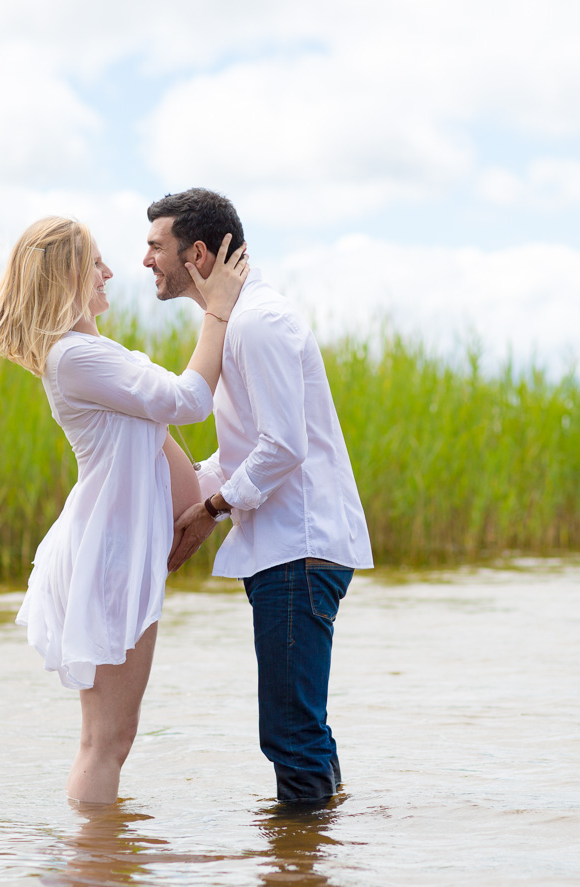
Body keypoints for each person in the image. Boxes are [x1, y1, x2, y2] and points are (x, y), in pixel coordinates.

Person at [0, 215, 248, 804]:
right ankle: (95, 877)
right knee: (106, 741)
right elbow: (189, 401)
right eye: (95, 263)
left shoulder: (88, 351)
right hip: (110, 552)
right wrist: (218, 309)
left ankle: (98, 876)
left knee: (113, 736)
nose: (109, 272)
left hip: (118, 547)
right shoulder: (74, 358)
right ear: (67, 273)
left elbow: (156, 440)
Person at [143, 189, 374, 806]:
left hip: (297, 551)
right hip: (283, 549)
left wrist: (213, 510)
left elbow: (284, 445)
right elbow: (244, 450)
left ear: (195, 253)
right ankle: (311, 878)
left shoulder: (259, 321)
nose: (146, 260)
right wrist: (185, 490)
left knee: (291, 735)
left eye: (155, 246)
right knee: (301, 731)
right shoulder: (239, 320)